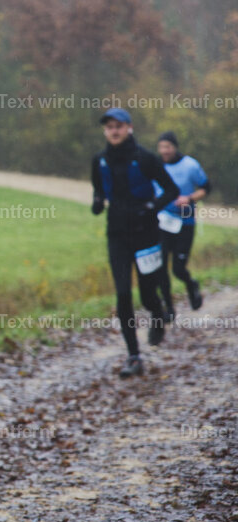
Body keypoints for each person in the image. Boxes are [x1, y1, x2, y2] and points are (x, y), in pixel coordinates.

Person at [91, 108, 179, 379]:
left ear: (129, 127)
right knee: (122, 295)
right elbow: (98, 190)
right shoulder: (99, 160)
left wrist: (152, 207)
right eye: (109, 127)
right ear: (105, 131)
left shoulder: (145, 158)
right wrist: (97, 202)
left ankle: (158, 314)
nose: (114, 131)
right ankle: (133, 355)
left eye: (118, 126)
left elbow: (172, 190)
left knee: (147, 294)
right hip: (117, 234)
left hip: (146, 235)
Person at [154, 131, 210, 316]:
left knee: (178, 269)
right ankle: (169, 308)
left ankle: (191, 284)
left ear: (175, 147)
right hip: (163, 222)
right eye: (161, 147)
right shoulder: (156, 165)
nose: (164, 151)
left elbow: (206, 187)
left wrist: (189, 198)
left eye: (168, 147)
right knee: (161, 266)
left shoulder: (190, 165)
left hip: (185, 221)